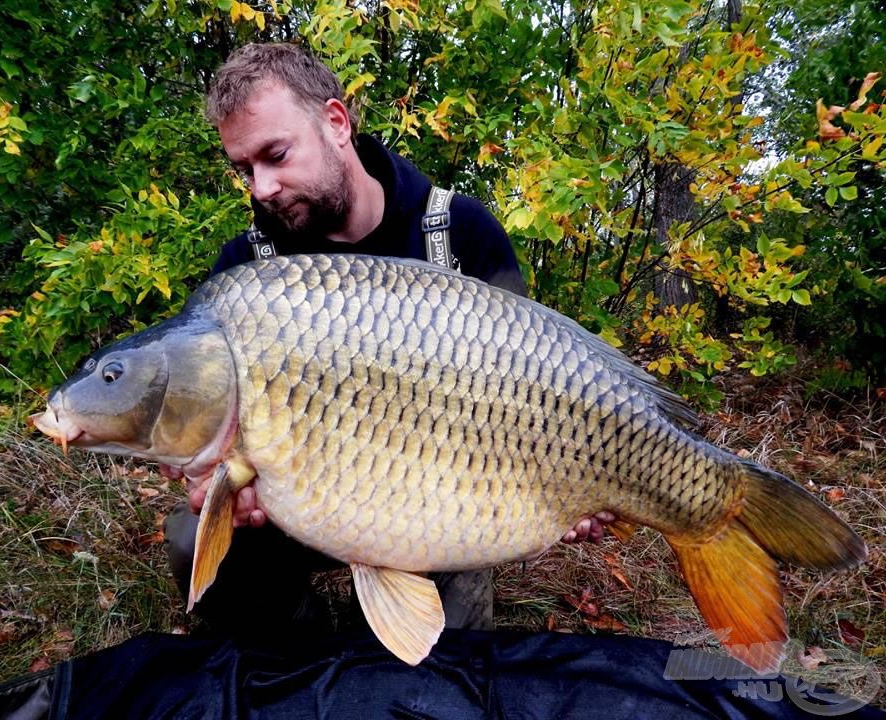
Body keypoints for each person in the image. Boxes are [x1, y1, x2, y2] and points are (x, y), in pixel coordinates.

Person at [163, 42, 613, 638]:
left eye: (275, 155)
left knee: (438, 665)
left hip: (444, 496)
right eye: (245, 169)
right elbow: (209, 419)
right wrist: (208, 475)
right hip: (303, 503)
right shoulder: (248, 269)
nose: (262, 188)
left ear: (336, 122)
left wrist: (573, 488)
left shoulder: (460, 233)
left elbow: (533, 392)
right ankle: (303, 649)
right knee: (191, 540)